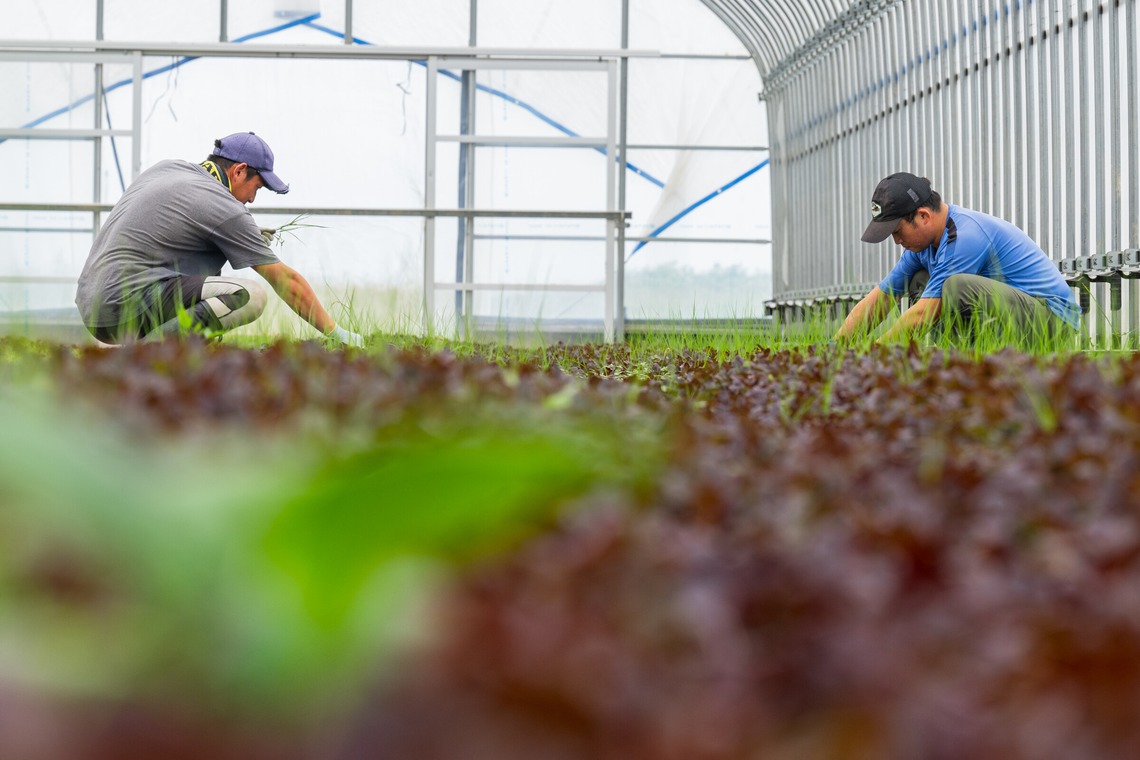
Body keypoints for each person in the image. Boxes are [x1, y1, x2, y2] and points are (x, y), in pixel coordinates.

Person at [75, 131, 363, 346]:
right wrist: (340, 335)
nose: (251, 198)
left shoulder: (168, 169)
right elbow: (286, 282)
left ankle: (169, 355)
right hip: (121, 308)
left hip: (93, 305)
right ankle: (146, 356)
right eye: (257, 187)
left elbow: (166, 236)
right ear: (238, 171)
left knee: (211, 292)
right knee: (248, 295)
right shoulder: (222, 206)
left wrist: (231, 241)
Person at [834, 172, 1079, 348]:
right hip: (1019, 317)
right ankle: (959, 363)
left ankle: (971, 360)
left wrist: (874, 356)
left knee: (956, 287)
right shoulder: (921, 249)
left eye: (897, 231)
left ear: (923, 216)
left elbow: (922, 315)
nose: (896, 241)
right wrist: (834, 350)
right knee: (920, 279)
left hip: (1051, 322)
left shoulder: (964, 236)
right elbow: (880, 300)